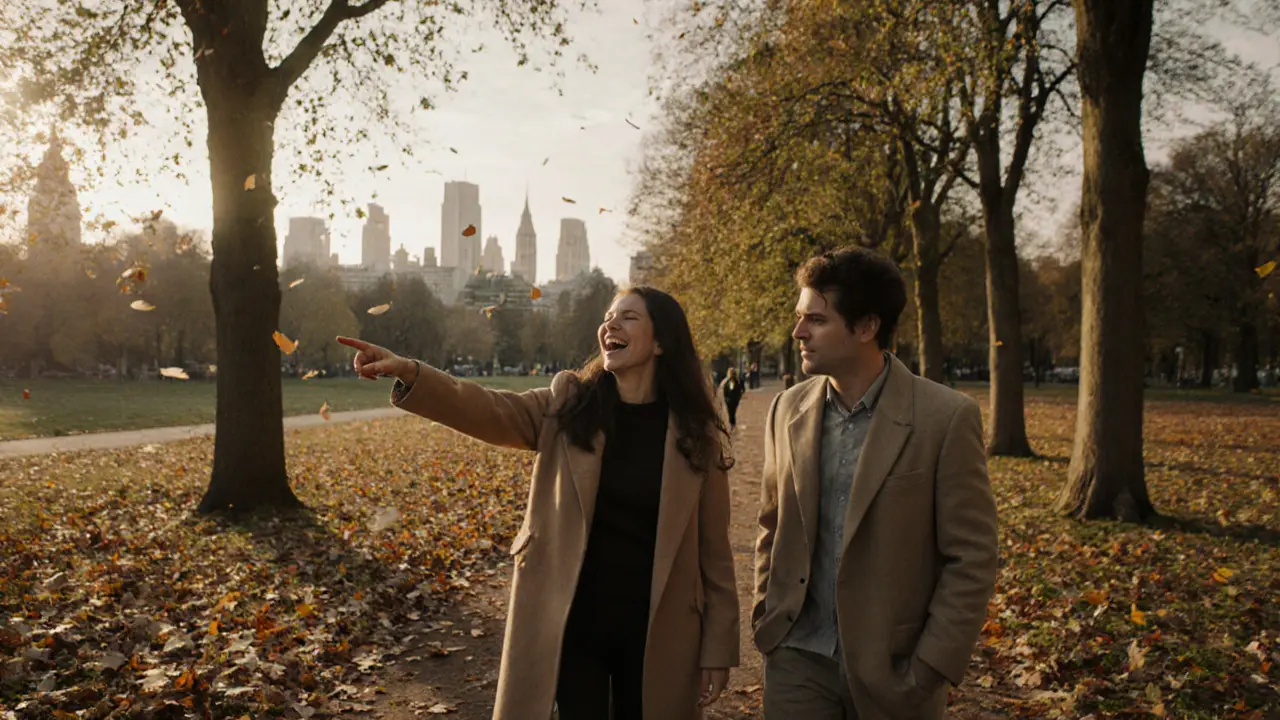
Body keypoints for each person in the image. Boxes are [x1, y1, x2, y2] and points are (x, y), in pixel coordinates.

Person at [336, 285, 739, 720]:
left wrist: (717, 648)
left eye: (629, 317)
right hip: (571, 623)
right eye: (608, 316)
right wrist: (413, 373)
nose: (611, 325)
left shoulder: (696, 437)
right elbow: (488, 409)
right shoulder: (569, 405)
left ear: (661, 342)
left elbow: (713, 554)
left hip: (659, 631)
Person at [753, 247, 998, 719]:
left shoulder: (945, 418)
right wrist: (767, 614)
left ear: (866, 327)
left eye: (816, 320)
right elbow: (772, 523)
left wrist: (930, 665)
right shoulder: (786, 410)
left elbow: (972, 555)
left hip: (897, 670)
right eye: (800, 317)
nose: (798, 332)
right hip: (796, 659)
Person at [718, 367, 747, 431]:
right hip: (735, 399)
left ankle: (732, 425)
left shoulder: (730, 381)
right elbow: (742, 389)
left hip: (730, 399)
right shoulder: (738, 380)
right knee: (732, 412)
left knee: (731, 413)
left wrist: (726, 397)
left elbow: (730, 389)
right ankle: (733, 424)